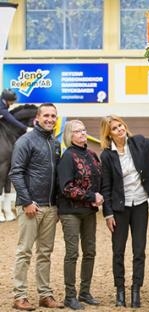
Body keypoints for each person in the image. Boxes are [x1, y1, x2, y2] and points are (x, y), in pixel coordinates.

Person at [99, 115, 149, 308]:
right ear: (108, 133)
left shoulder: (140, 142)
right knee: (118, 251)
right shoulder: (107, 156)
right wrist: (107, 213)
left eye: (121, 125)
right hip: (119, 209)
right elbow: (106, 187)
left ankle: (136, 290)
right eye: (115, 128)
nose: (120, 129)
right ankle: (120, 291)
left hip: (141, 204)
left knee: (139, 250)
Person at [9, 103, 64, 311]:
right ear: (37, 118)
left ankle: (45, 294)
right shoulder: (25, 141)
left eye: (53, 116)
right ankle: (20, 296)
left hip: (50, 207)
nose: (50, 119)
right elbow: (16, 173)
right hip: (30, 207)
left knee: (45, 253)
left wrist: (57, 204)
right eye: (47, 115)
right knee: (24, 251)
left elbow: (56, 176)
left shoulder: (55, 143)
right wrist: (27, 201)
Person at [57, 120, 103, 310]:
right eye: (77, 131)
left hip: (88, 211)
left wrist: (97, 197)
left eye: (84, 130)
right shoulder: (67, 157)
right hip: (70, 212)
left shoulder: (92, 154)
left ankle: (85, 292)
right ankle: (70, 296)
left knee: (90, 252)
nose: (83, 133)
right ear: (70, 135)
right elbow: (67, 187)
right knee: (72, 253)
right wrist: (92, 196)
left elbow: (98, 180)